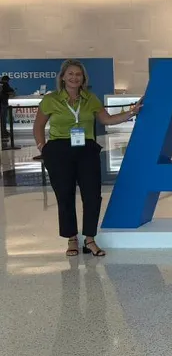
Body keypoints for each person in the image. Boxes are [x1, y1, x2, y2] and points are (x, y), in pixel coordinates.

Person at [33, 59, 143, 257]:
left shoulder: (90, 98)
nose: (75, 77)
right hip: (59, 150)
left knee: (92, 195)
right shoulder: (51, 100)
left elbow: (107, 120)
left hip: (86, 150)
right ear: (63, 77)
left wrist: (131, 112)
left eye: (78, 74)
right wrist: (43, 148)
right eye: (71, 74)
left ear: (83, 78)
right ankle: (71, 239)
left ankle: (90, 238)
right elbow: (38, 126)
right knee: (65, 196)